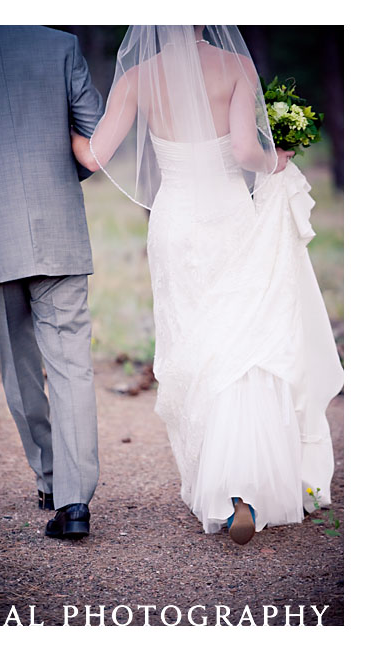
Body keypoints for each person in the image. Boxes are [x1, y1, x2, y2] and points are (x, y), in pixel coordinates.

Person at [71, 25, 344, 545]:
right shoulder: (233, 66)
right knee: (243, 339)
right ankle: (247, 484)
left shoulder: (137, 76)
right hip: (228, 214)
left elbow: (94, 156)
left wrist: (54, 124)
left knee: (195, 344)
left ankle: (217, 484)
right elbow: (245, 149)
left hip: (174, 222)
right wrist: (276, 160)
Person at [0, 25, 104, 539]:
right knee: (72, 364)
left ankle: (50, 478)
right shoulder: (59, 45)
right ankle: (75, 502)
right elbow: (94, 135)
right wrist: (55, 176)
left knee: (18, 361)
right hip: (59, 227)